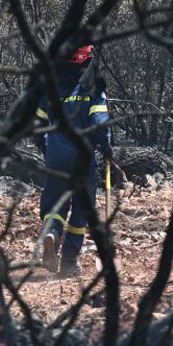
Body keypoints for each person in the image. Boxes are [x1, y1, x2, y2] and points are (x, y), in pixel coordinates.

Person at [35, 45, 112, 275]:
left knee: (54, 204)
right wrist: (106, 147)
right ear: (85, 56)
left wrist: (47, 148)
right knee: (81, 210)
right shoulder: (92, 84)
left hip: (56, 157)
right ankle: (69, 261)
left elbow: (37, 123)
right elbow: (100, 123)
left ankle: (52, 231)